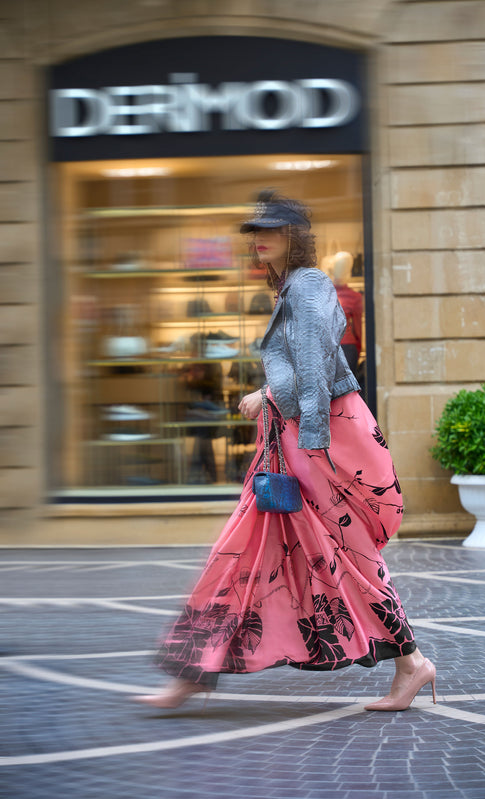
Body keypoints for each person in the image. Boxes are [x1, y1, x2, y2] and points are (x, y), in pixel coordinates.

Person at [133, 190, 436, 713]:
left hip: (319, 439)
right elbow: (302, 362)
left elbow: (317, 366)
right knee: (249, 552)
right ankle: (189, 675)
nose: (259, 240)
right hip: (294, 441)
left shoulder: (311, 284)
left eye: (271, 231)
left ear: (296, 238)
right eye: (255, 232)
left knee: (344, 557)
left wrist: (272, 398)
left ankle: (412, 664)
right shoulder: (294, 288)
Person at [332, 251, 363, 378]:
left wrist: (357, 350)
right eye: (338, 267)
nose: (340, 272)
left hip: (346, 349)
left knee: (346, 391)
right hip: (326, 349)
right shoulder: (323, 293)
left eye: (344, 268)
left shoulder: (354, 297)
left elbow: (358, 329)